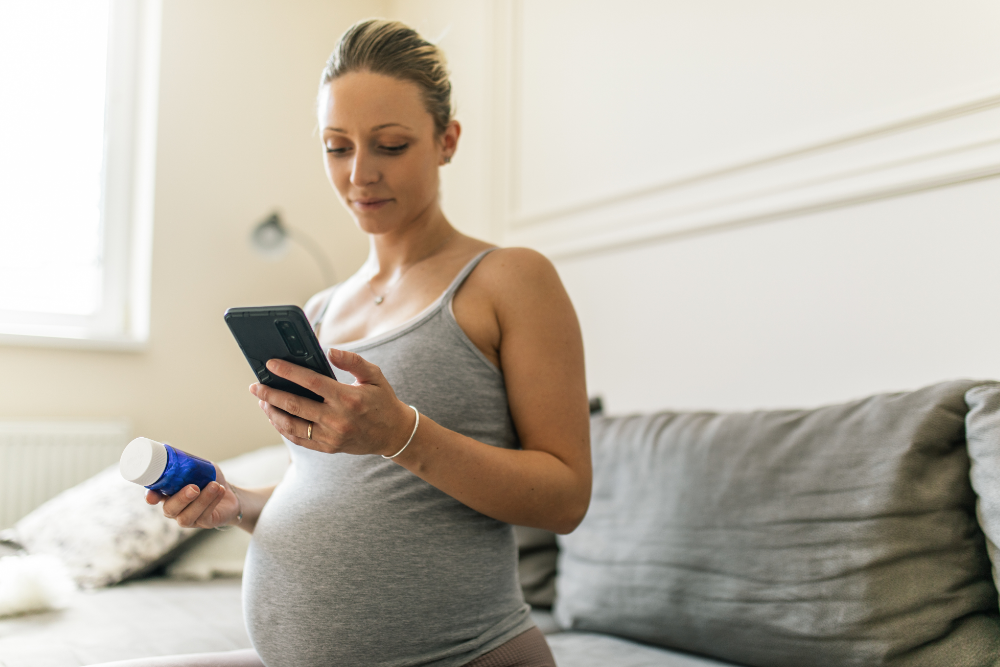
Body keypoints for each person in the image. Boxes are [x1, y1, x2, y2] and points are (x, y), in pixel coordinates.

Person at [101, 18, 591, 667]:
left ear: (447, 141)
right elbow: (332, 488)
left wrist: (401, 432)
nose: (361, 173)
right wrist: (236, 503)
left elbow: (564, 496)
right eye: (337, 147)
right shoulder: (322, 310)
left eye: (390, 144)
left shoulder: (510, 280)